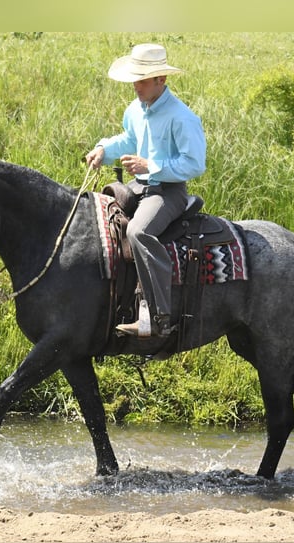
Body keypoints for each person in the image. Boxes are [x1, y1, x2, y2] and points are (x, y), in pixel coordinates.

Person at [85, 43, 207, 338]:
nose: (136, 87)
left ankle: (158, 316)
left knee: (138, 231)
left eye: (141, 81)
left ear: (161, 80)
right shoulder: (135, 110)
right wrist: (103, 148)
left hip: (167, 192)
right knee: (97, 220)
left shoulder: (182, 117)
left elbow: (195, 163)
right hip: (138, 186)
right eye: (134, 80)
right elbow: (129, 139)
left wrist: (150, 166)